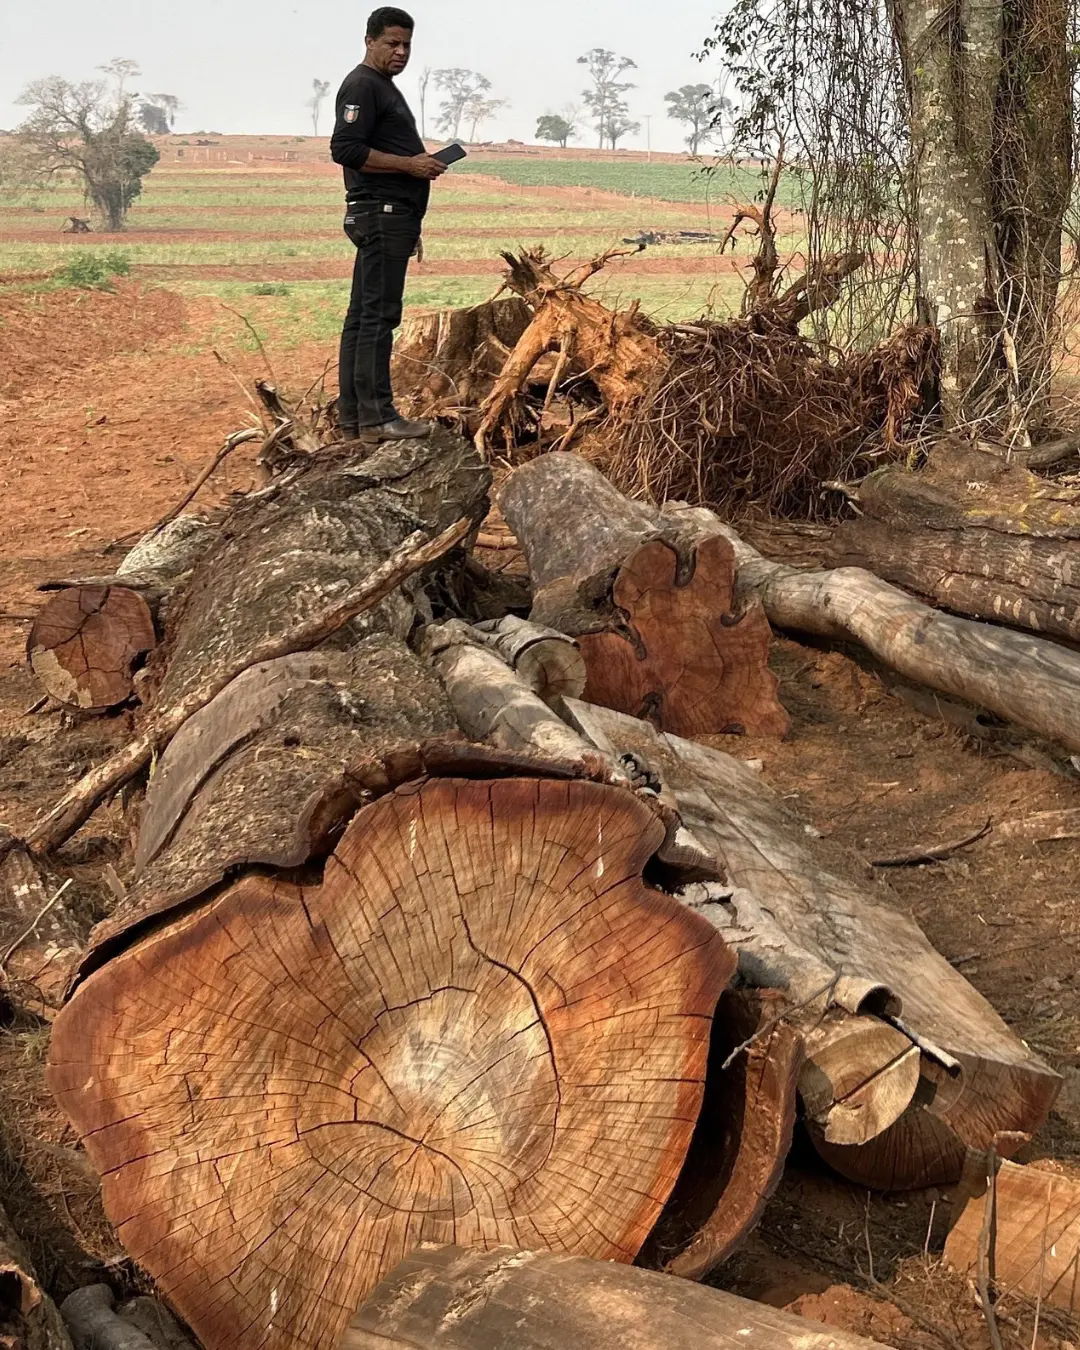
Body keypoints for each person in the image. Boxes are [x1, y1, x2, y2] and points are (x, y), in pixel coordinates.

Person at [330, 7, 448, 442]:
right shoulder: (363, 84)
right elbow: (345, 148)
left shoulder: (380, 86)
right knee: (379, 316)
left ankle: (353, 420)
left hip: (387, 215)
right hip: (381, 213)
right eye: (392, 44)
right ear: (369, 41)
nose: (400, 52)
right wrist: (410, 166)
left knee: (362, 317)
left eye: (406, 45)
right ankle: (378, 417)